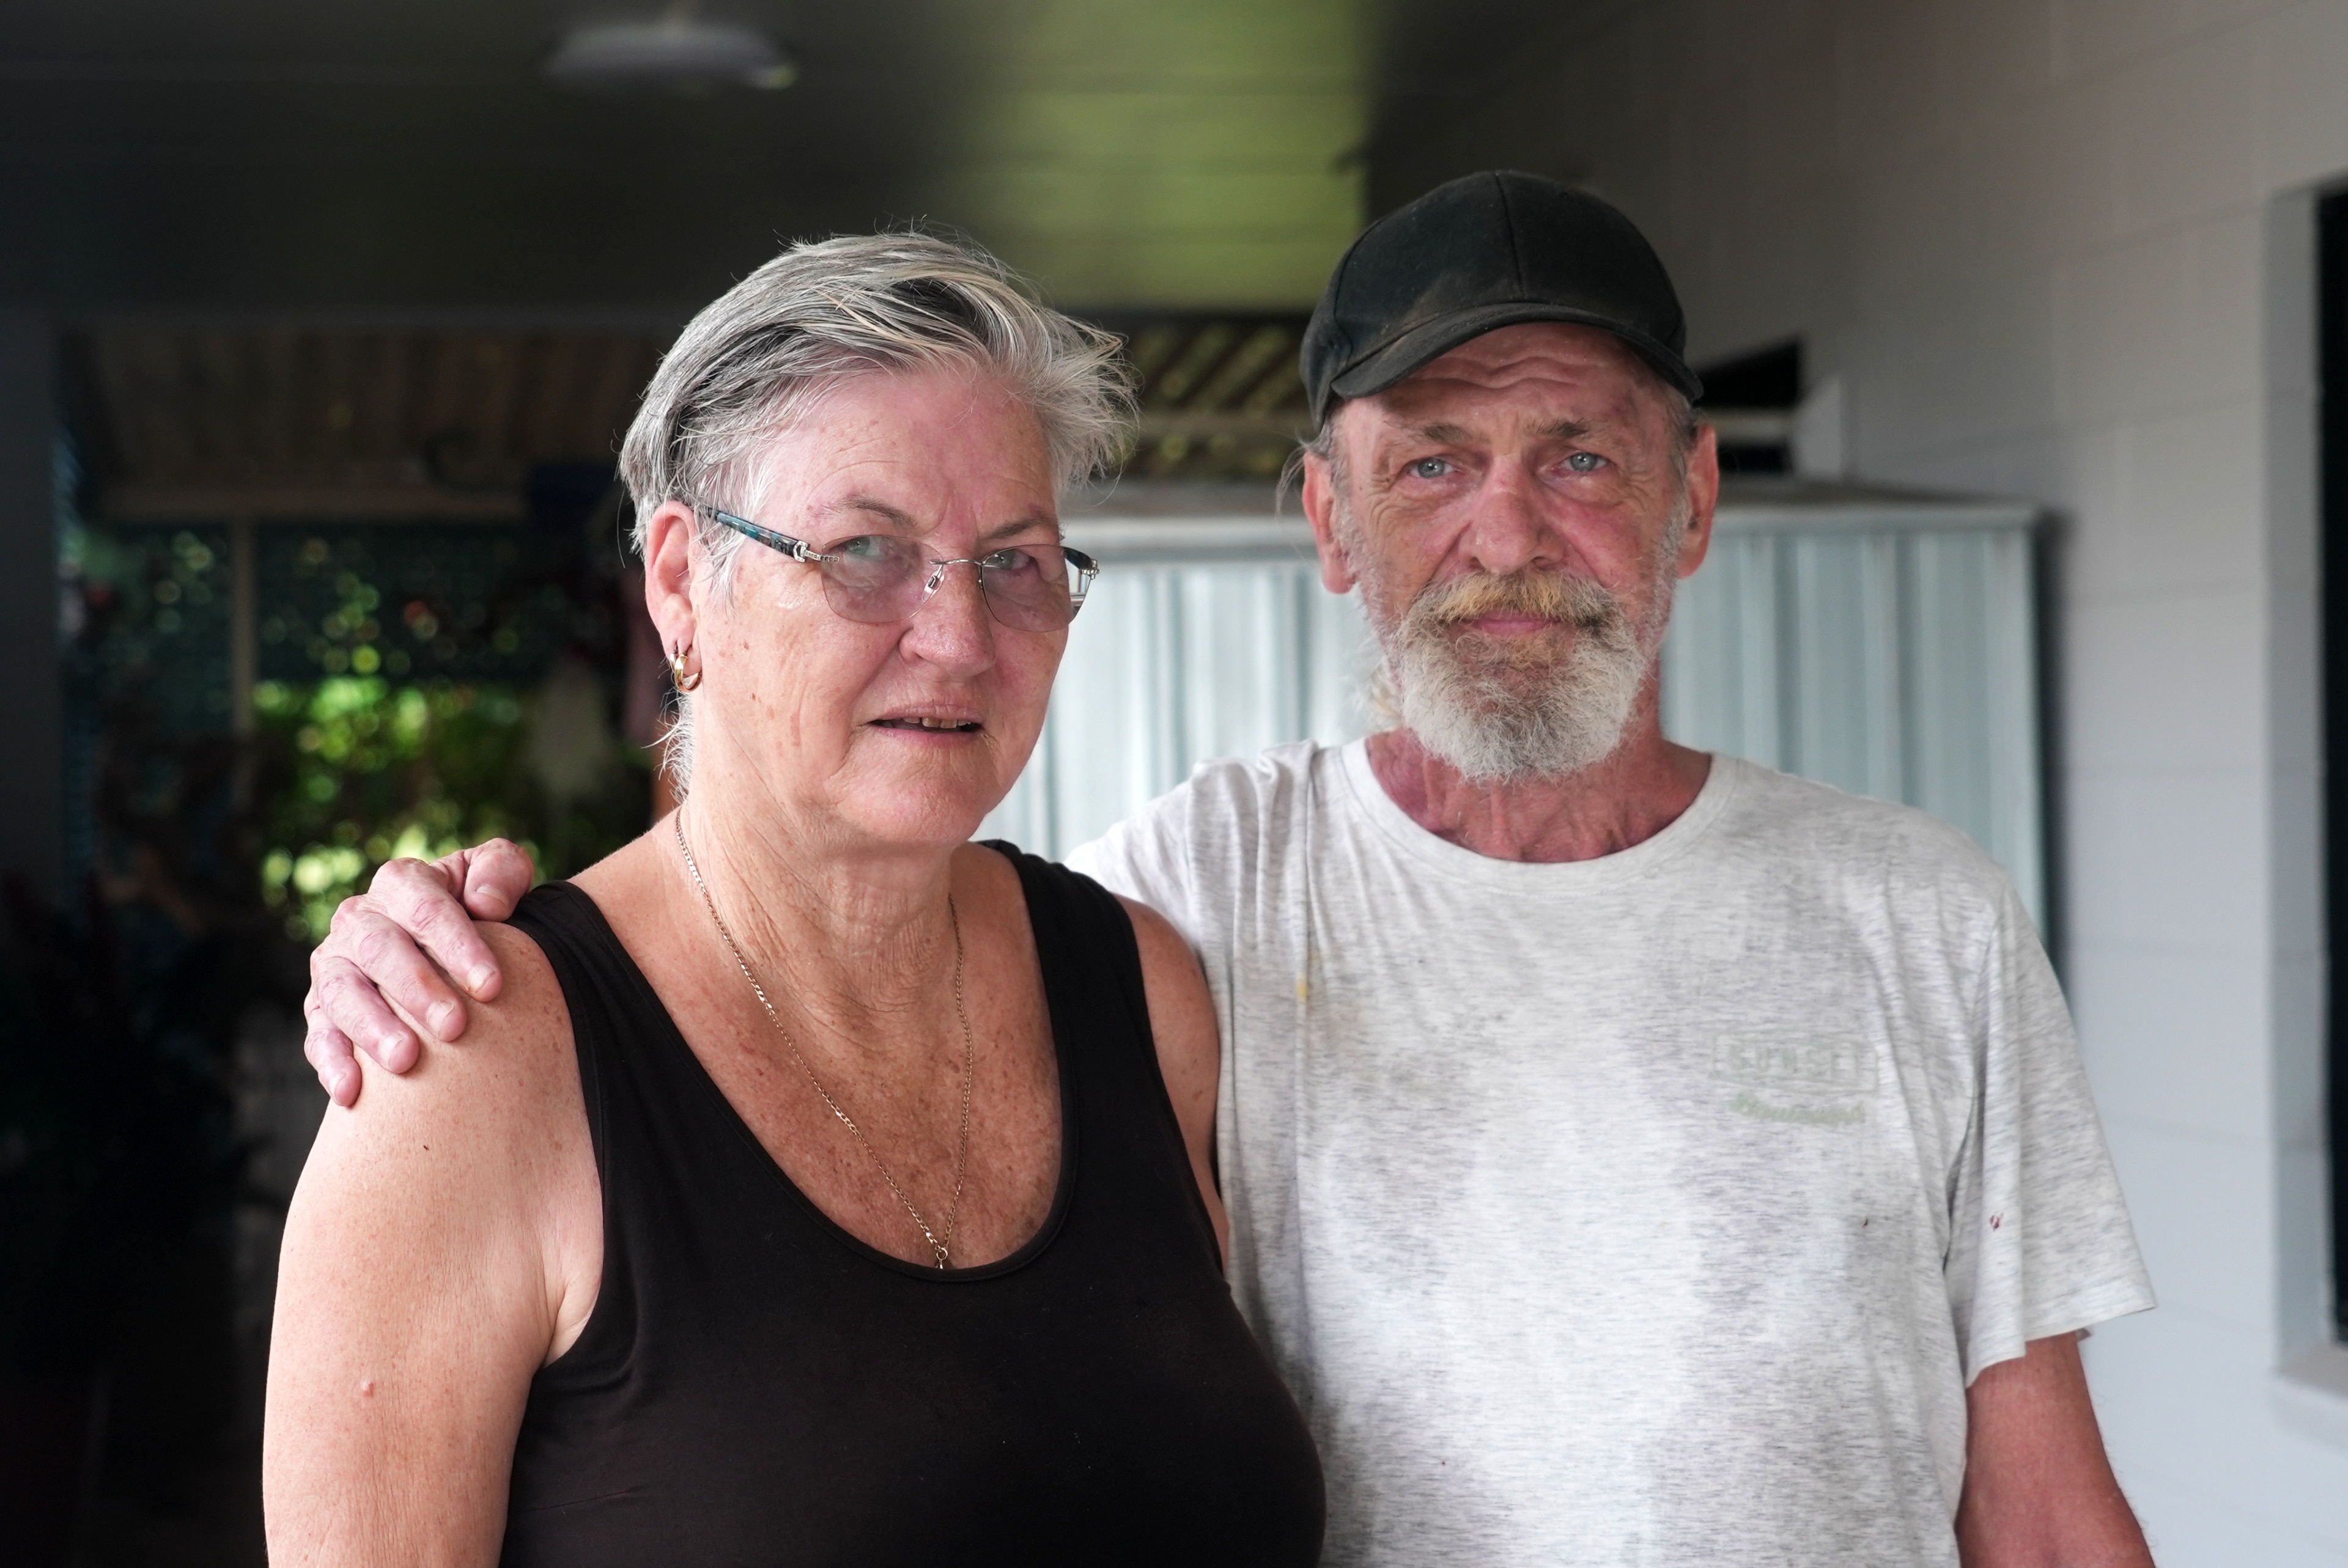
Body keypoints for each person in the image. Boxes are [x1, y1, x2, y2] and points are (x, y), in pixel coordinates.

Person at [300, 173, 2156, 1568]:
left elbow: (2049, 1504)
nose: (1510, 532)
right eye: (1431, 464)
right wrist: (405, 937)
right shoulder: (1204, 899)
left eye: (1580, 454)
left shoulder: (1916, 917)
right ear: (1330, 524)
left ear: (1690, 501)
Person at [263, 233, 1325, 1567]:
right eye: (866, 550)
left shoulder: (1143, 989)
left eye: (1014, 560)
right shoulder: (471, 1066)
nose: (956, 635)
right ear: (679, 585)